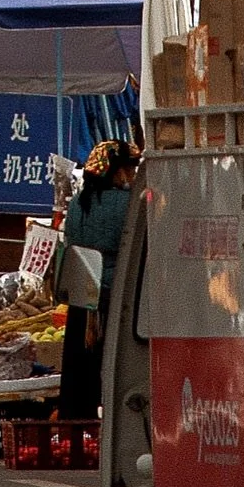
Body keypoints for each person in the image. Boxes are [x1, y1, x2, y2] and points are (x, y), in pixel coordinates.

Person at [58, 138, 142, 420]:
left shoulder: (78, 203)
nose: (133, 175)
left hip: (82, 299)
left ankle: (77, 425)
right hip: (118, 299)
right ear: (117, 171)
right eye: (130, 169)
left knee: (81, 374)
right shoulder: (130, 204)